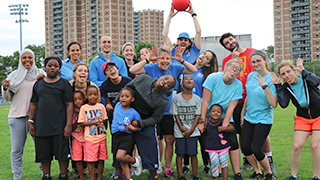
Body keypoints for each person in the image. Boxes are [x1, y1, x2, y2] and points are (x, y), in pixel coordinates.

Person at [129, 46, 197, 178]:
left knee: (169, 140)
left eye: (167, 58)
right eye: (162, 58)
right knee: (155, 139)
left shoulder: (175, 67)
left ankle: (167, 168)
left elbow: (193, 69)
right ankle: (156, 165)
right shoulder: (151, 67)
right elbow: (132, 70)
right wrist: (147, 60)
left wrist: (181, 60)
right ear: (157, 58)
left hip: (168, 110)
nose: (165, 61)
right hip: (152, 110)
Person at [220, 32, 276, 173]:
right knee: (242, 133)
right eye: (226, 43)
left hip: (257, 98)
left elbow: (263, 72)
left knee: (262, 133)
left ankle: (269, 159)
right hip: (239, 100)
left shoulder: (252, 53)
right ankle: (247, 160)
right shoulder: (227, 60)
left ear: (236, 39)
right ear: (225, 47)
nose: (230, 43)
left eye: (231, 39)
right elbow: (227, 79)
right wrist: (234, 61)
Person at [271, 58, 320, 180]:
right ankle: (293, 175)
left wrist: (303, 70)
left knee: (314, 146)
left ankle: (316, 176)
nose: (287, 76)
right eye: (283, 74)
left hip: (318, 115)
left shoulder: (305, 78)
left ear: (294, 70)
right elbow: (283, 104)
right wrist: (278, 86)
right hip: (302, 117)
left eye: (288, 72)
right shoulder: (286, 87)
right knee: (297, 146)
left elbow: (316, 82)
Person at [1, 49, 45, 180]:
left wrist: (41, 81)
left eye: (30, 57)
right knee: (16, 149)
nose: (27, 60)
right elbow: (8, 98)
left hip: (37, 117)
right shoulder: (14, 75)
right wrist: (4, 88)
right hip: (17, 117)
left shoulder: (41, 73)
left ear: (34, 59)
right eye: (24, 57)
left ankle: (44, 173)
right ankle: (17, 176)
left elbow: (46, 92)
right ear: (20, 60)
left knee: (40, 147)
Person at [122, 74, 176, 180]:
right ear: (162, 76)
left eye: (168, 84)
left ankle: (153, 174)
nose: (165, 82)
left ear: (168, 89)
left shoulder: (163, 101)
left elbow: (155, 118)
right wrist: (116, 105)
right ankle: (119, 172)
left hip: (144, 122)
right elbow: (127, 89)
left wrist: (139, 124)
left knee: (150, 144)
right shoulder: (143, 78)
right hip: (128, 117)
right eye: (165, 79)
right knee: (121, 146)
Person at [28, 56, 73, 180]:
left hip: (60, 124)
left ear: (59, 68)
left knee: (62, 153)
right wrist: (30, 121)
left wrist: (68, 124)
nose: (52, 68)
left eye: (56, 66)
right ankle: (46, 175)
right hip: (42, 125)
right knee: (43, 153)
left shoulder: (64, 83)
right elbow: (33, 103)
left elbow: (69, 104)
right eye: (50, 65)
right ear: (45, 67)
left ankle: (63, 174)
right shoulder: (39, 84)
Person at [198, 59, 243, 180]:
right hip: (208, 117)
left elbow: (231, 108)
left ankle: (237, 173)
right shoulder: (213, 78)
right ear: (226, 67)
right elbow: (206, 101)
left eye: (237, 69)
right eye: (232, 66)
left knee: (233, 142)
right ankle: (216, 172)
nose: (234, 70)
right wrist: (202, 122)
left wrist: (224, 126)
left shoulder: (238, 85)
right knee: (209, 143)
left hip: (225, 117)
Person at [240, 50, 277, 180]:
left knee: (257, 149)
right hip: (249, 117)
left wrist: (265, 86)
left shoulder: (272, 78)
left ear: (265, 60)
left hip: (263, 119)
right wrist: (242, 115)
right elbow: (248, 97)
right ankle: (257, 172)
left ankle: (269, 173)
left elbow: (274, 104)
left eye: (258, 61)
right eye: (253, 61)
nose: (256, 64)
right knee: (245, 147)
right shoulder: (251, 76)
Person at [182, 50, 218, 175]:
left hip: (200, 110)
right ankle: (186, 165)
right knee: (186, 137)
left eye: (207, 57)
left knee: (203, 140)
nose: (202, 56)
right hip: (185, 109)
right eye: (203, 54)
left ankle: (206, 165)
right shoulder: (185, 69)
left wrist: (202, 115)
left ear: (208, 64)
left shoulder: (206, 75)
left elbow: (207, 96)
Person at [170, 75, 201, 180]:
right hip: (179, 131)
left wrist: (191, 129)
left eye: (191, 79)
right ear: (182, 84)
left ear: (194, 84)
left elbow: (197, 115)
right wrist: (182, 128)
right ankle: (180, 175)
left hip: (193, 131)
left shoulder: (197, 99)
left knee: (193, 153)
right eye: (186, 79)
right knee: (180, 153)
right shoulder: (176, 98)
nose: (188, 80)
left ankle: (195, 175)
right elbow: (176, 115)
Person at [111, 85, 142, 180]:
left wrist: (133, 128)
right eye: (122, 96)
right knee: (121, 160)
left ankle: (135, 160)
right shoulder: (117, 105)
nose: (123, 98)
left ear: (132, 99)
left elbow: (139, 127)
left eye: (127, 96)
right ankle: (129, 178)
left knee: (120, 156)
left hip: (127, 137)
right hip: (116, 135)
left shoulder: (134, 112)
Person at [78, 85, 108, 180]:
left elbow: (105, 120)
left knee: (101, 159)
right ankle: (92, 178)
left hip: (101, 138)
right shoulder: (84, 108)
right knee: (90, 161)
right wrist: (94, 122)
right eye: (90, 94)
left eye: (95, 94)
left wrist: (101, 123)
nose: (93, 97)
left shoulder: (101, 106)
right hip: (90, 139)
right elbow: (81, 123)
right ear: (86, 96)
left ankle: (99, 178)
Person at [100, 61, 132, 130]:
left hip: (128, 112)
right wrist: (108, 105)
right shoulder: (105, 86)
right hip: (114, 113)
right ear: (106, 75)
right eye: (107, 69)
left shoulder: (128, 81)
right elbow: (108, 102)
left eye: (112, 67)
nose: (111, 70)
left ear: (117, 69)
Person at [205, 104, 233, 180]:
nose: (216, 113)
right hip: (211, 147)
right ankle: (216, 177)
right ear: (210, 113)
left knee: (223, 162)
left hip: (223, 146)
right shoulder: (207, 122)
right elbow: (201, 128)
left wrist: (224, 128)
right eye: (213, 111)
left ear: (221, 114)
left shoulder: (223, 121)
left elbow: (232, 128)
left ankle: (225, 178)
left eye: (218, 111)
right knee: (214, 161)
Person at [71, 91, 87, 180]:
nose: (77, 101)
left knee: (87, 157)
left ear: (84, 99)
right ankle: (81, 176)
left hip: (87, 137)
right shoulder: (72, 112)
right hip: (76, 137)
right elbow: (72, 127)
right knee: (77, 158)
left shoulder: (87, 109)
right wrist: (79, 121)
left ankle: (86, 172)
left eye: (80, 99)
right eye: (75, 100)